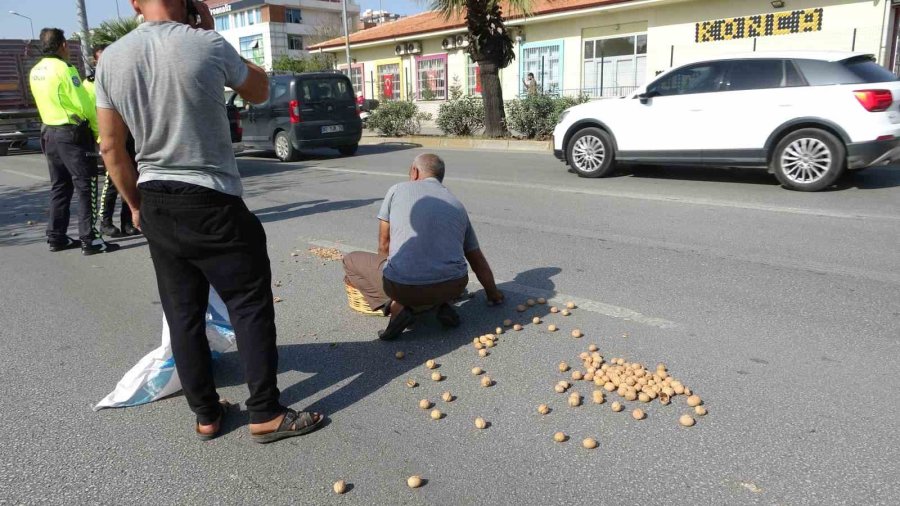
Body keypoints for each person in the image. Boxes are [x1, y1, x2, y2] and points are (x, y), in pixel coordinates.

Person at [96, 0, 323, 443]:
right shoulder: (207, 44)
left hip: (157, 199)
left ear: (134, 3)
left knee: (183, 313)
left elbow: (110, 148)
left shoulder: (112, 59)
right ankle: (264, 412)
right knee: (248, 303)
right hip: (212, 200)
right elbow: (261, 90)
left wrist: (136, 206)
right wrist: (209, 29)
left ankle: (206, 413)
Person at [342, 154, 504, 341]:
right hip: (454, 286)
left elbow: (384, 244)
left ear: (415, 171)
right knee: (436, 268)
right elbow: (476, 259)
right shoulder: (456, 204)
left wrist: (390, 280)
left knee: (350, 259)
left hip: (404, 287)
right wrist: (493, 294)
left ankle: (398, 306)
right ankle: (437, 304)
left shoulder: (397, 190)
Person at [29, 28, 118, 255]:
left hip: (49, 133)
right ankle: (91, 239)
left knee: (60, 186)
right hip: (71, 134)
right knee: (85, 185)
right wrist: (99, 133)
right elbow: (84, 105)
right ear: (63, 45)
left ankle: (56, 237)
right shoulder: (65, 69)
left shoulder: (35, 71)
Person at [85, 44, 139, 238]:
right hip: (109, 139)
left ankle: (128, 222)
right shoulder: (89, 84)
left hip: (130, 136)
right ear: (94, 62)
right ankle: (105, 222)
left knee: (131, 178)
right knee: (112, 183)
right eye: (100, 60)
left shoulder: (121, 80)